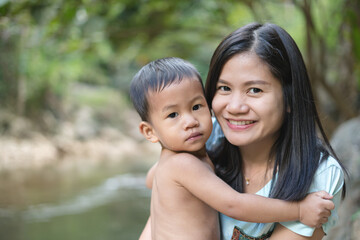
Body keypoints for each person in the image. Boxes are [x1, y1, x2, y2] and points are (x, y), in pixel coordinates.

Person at [130, 57, 334, 240]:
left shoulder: (175, 159)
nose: (190, 121)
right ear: (150, 132)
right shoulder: (183, 163)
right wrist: (299, 210)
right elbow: (234, 205)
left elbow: (151, 180)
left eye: (196, 107)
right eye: (173, 115)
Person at [204, 22, 347, 239]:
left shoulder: (319, 174)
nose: (234, 107)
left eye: (254, 90)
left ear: (290, 99)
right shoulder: (204, 137)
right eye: (224, 88)